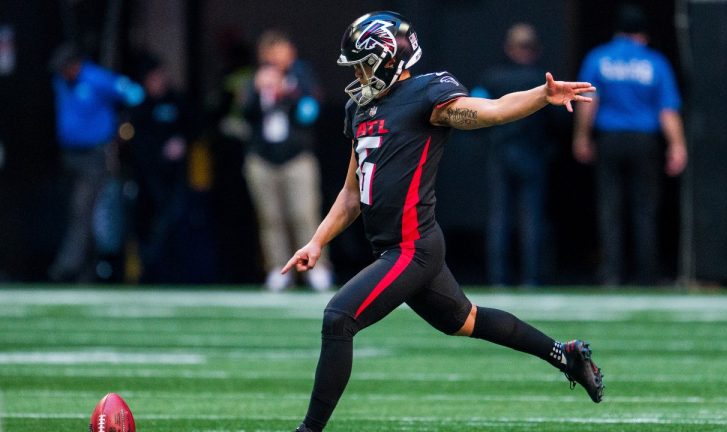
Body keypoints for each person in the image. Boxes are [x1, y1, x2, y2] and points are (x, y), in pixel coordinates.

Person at [280, 12, 604, 432]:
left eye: (364, 64)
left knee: (338, 318)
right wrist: (316, 242)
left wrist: (541, 96)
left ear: (389, 58)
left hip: (412, 247)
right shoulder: (359, 109)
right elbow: (350, 194)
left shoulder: (425, 94)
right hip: (396, 248)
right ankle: (566, 354)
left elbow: (491, 110)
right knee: (465, 320)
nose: (359, 74)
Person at [572, 4, 687, 285]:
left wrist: (582, 137)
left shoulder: (599, 58)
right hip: (643, 140)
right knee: (645, 208)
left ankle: (611, 273)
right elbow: (667, 109)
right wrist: (677, 145)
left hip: (610, 139)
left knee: (609, 207)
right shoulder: (654, 62)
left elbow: (589, 103)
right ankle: (647, 273)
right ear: (642, 34)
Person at [242, 30, 333, 291]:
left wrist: (286, 92)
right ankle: (278, 268)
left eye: (279, 50)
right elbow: (244, 114)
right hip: (262, 158)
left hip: (296, 158)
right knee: (270, 217)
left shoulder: (301, 77)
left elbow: (310, 113)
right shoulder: (254, 80)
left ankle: (317, 268)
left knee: (303, 213)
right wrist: (257, 93)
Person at [48, 42, 144, 282]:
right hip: (70, 155)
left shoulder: (96, 78)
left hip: (94, 155)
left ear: (76, 64)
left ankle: (70, 266)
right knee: (77, 210)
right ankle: (84, 268)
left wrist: (120, 124)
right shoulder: (61, 81)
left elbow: (134, 93)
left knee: (85, 207)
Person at [474, 23, 553, 287]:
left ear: (509, 48)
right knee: (532, 217)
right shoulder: (544, 80)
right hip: (532, 153)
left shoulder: (492, 78)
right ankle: (532, 278)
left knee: (500, 217)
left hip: (500, 152)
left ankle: (498, 278)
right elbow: (558, 119)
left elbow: (473, 110)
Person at [127, 55, 190, 283]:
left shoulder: (175, 101)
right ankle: (147, 271)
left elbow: (193, 127)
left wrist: (182, 141)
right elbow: (135, 141)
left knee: (172, 221)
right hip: (146, 176)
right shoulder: (140, 104)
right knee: (144, 223)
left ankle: (172, 271)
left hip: (172, 177)